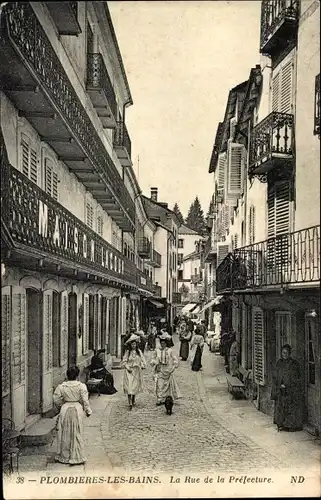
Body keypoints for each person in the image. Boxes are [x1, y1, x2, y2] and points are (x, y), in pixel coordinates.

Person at [53, 365, 92, 465]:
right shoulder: (81, 386)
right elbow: (85, 400)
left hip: (65, 409)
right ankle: (76, 456)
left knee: (65, 431)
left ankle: (65, 456)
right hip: (77, 409)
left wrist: (62, 405)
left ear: (67, 376)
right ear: (77, 376)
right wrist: (88, 411)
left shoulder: (62, 387)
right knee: (77, 431)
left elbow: (56, 399)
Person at [271, 344, 303, 432]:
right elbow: (275, 376)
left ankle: (290, 425)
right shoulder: (279, 363)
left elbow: (295, 377)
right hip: (280, 389)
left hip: (290, 390)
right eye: (283, 353)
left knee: (290, 407)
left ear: (289, 353)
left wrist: (287, 385)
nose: (285, 355)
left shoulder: (293, 364)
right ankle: (281, 424)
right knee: (280, 407)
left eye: (286, 353)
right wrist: (279, 384)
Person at [150, 332, 182, 405]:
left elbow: (174, 359)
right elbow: (153, 358)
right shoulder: (157, 350)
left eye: (164, 343)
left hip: (168, 369)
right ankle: (159, 398)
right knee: (159, 384)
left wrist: (174, 364)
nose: (162, 344)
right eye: (161, 343)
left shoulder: (170, 351)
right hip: (160, 368)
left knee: (166, 385)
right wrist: (153, 362)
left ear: (166, 343)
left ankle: (165, 399)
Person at [121, 333, 146, 410]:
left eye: (134, 344)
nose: (133, 346)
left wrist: (142, 365)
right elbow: (124, 361)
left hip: (136, 371)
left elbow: (143, 360)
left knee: (134, 387)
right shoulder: (128, 352)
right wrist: (127, 367)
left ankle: (133, 399)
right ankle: (130, 403)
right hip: (129, 371)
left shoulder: (139, 352)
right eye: (132, 345)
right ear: (130, 345)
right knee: (129, 387)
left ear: (136, 345)